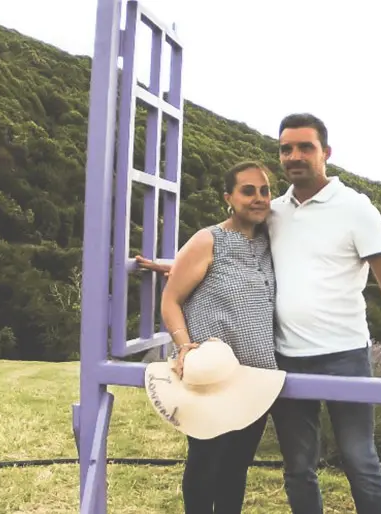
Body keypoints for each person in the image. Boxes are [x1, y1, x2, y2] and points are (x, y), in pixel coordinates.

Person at [136, 113, 381, 514]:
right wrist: (178, 267)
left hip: (345, 355)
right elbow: (223, 249)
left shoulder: (355, 208)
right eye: (286, 149)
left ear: (325, 152)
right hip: (285, 360)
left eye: (305, 147)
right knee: (298, 468)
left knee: (360, 460)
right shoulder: (275, 211)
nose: (294, 155)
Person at [146, 161, 284, 514]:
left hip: (256, 379)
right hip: (213, 378)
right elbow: (171, 300)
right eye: (248, 191)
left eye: (264, 190)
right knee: (205, 462)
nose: (258, 198)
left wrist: (173, 266)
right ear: (228, 198)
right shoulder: (209, 239)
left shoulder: (269, 243)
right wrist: (183, 346)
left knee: (237, 468)